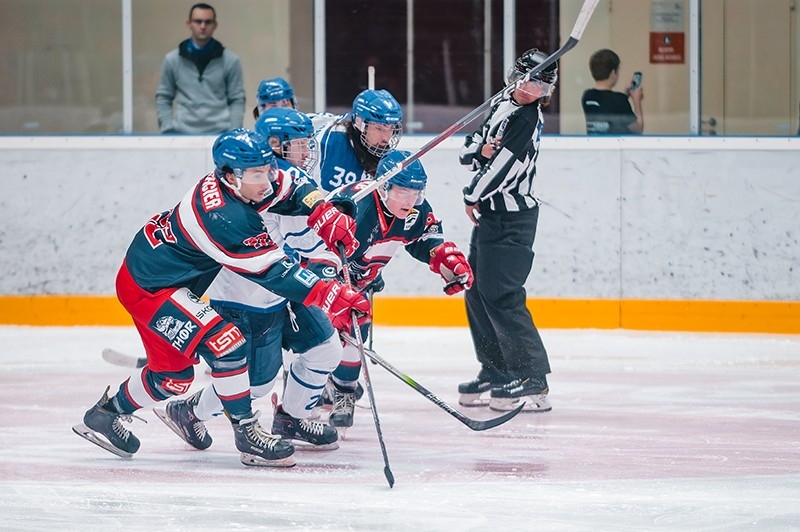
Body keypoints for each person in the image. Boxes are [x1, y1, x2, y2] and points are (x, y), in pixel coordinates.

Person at [72, 128, 369, 467]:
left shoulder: (245, 183)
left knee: (173, 378)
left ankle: (105, 415)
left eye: (267, 169)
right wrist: (330, 294)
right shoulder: (224, 216)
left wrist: (323, 209)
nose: (267, 181)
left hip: (163, 280)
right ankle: (247, 432)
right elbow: (276, 273)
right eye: (257, 174)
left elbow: (293, 181)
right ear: (229, 176)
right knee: (226, 342)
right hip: (150, 288)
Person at [154, 108, 341, 451]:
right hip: (246, 302)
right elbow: (273, 260)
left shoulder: (284, 180)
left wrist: (330, 256)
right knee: (255, 385)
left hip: (287, 292)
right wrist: (327, 291)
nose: (306, 152)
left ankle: (291, 417)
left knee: (327, 350)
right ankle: (189, 410)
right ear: (274, 145)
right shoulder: (246, 192)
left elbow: (310, 245)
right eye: (298, 144)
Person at [322, 149, 474, 431]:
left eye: (415, 193)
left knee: (357, 332)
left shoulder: (414, 209)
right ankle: (303, 396)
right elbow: (318, 251)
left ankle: (344, 391)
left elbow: (422, 239)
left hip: (360, 280)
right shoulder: (358, 209)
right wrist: (332, 289)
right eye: (403, 192)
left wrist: (444, 259)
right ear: (383, 186)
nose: (410, 201)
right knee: (316, 339)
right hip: (323, 280)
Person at [456, 48, 555, 414]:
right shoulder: (502, 104)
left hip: (513, 221)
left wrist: (471, 193)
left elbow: (504, 169)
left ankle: (533, 377)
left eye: (542, 84)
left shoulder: (526, 118)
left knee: (502, 295)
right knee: (475, 290)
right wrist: (479, 151)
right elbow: (468, 152)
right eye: (530, 79)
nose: (534, 89)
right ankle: (496, 370)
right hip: (490, 217)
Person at [156, 3, 245, 134]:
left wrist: (234, 133)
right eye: (198, 21)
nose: (203, 26)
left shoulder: (231, 60)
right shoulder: (172, 59)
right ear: (189, 24)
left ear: (215, 25)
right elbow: (163, 97)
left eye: (208, 22)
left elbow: (237, 99)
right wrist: (168, 129)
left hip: (220, 134)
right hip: (181, 134)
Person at [311, 88, 403, 193]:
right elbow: (327, 199)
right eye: (379, 128)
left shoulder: (372, 144)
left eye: (392, 128)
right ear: (360, 123)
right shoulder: (335, 145)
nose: (386, 138)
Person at [581, 48, 644, 135]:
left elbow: (609, 106)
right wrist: (637, 101)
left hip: (595, 145)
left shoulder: (587, 96)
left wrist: (625, 93)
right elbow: (638, 128)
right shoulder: (619, 100)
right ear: (613, 72)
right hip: (615, 146)